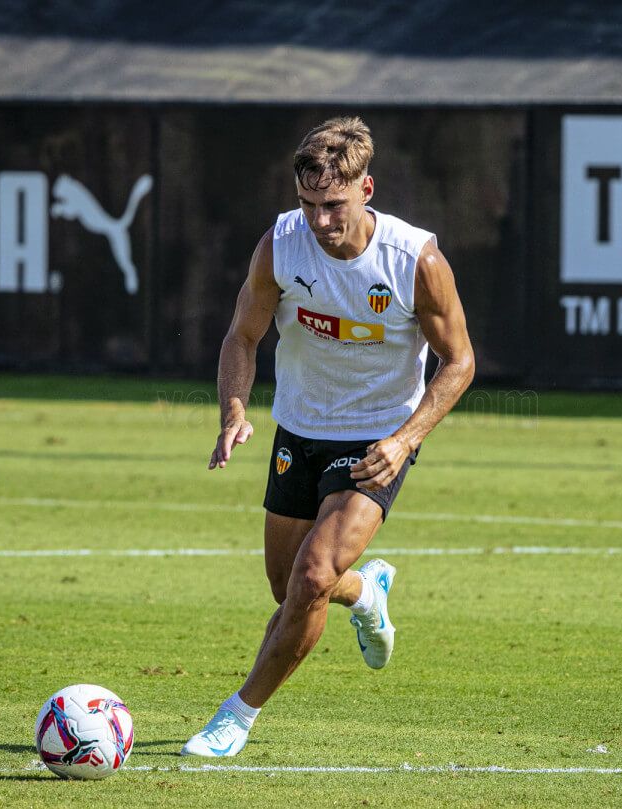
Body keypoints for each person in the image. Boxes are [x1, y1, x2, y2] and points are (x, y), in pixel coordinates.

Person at [181, 116, 475, 757]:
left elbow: (459, 362)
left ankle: (235, 717)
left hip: (376, 438)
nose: (318, 220)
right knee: (288, 586)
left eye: (333, 205)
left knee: (312, 577)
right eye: (307, 204)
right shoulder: (280, 245)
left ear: (366, 188)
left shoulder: (414, 260)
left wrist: (405, 440)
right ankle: (367, 593)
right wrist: (233, 411)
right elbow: (242, 336)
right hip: (300, 427)